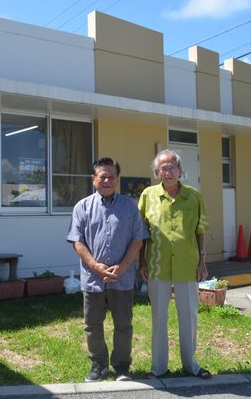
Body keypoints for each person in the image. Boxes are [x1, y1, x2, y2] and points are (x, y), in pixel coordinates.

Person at [67, 157, 148, 382]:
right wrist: (94, 266)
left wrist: (123, 268)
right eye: (102, 176)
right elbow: (77, 241)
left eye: (112, 176)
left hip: (121, 280)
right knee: (92, 325)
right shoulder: (82, 207)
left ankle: (122, 365)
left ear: (117, 179)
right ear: (93, 179)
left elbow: (137, 241)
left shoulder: (129, 208)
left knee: (123, 324)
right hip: (93, 280)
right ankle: (98, 365)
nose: (107, 180)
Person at [137, 149, 212, 380]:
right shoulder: (147, 195)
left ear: (180, 170)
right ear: (156, 172)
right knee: (158, 317)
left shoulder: (194, 196)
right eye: (163, 168)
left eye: (172, 167)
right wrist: (141, 263)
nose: (168, 171)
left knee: (189, 316)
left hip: (188, 265)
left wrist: (202, 261)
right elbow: (141, 233)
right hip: (156, 265)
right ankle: (158, 368)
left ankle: (191, 364)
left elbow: (201, 230)